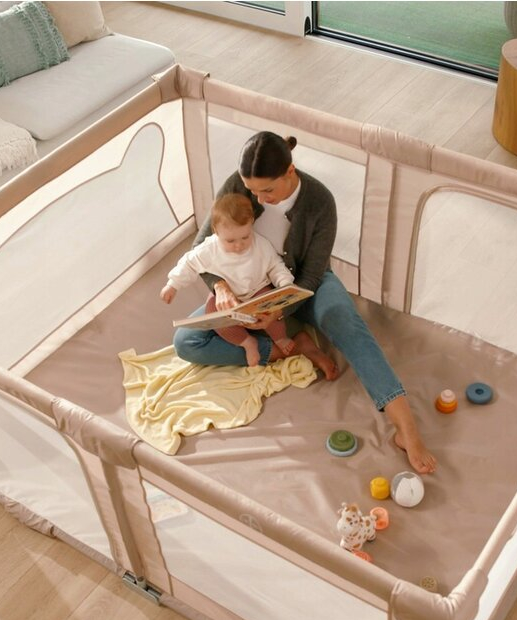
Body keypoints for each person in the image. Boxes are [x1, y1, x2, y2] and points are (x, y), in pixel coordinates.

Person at [173, 131, 436, 474]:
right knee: (187, 342)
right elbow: (201, 247)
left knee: (344, 321)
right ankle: (289, 348)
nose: (258, 199)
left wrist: (278, 310)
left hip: (304, 285)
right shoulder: (237, 186)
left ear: (290, 172)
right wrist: (221, 287)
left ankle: (405, 425)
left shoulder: (319, 200)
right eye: (251, 190)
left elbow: (311, 274)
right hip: (246, 290)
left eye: (267, 190)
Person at [161, 194, 296, 366]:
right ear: (216, 232)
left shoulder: (261, 245)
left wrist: (285, 284)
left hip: (257, 290)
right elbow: (188, 263)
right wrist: (172, 285)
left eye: (245, 237)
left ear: (251, 224)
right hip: (228, 298)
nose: (239, 245)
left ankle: (280, 338)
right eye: (230, 241)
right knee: (215, 314)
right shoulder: (209, 249)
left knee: (270, 308)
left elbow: (276, 266)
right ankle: (247, 343)